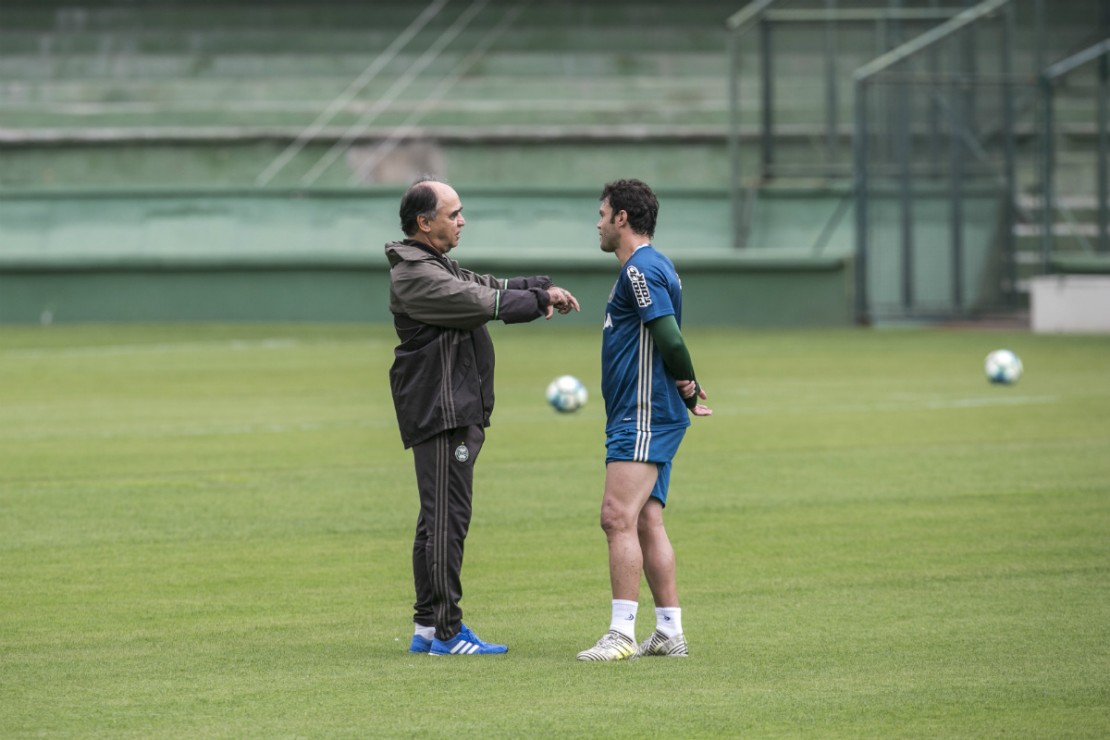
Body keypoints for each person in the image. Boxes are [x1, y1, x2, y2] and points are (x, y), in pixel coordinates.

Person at [386, 177, 579, 656]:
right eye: (453, 214)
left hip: (449, 407)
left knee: (436, 520)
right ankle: (448, 633)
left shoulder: (434, 264)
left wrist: (539, 287)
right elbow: (479, 302)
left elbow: (486, 285)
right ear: (423, 222)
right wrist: (538, 301)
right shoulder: (416, 274)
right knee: (447, 520)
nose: (462, 221)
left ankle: (427, 628)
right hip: (441, 410)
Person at [577, 178, 711, 662]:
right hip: (647, 411)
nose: (597, 223)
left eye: (602, 214)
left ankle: (621, 634)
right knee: (646, 518)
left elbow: (669, 337)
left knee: (616, 517)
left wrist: (688, 382)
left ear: (622, 218)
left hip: (643, 413)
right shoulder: (655, 265)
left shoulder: (640, 268)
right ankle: (669, 631)